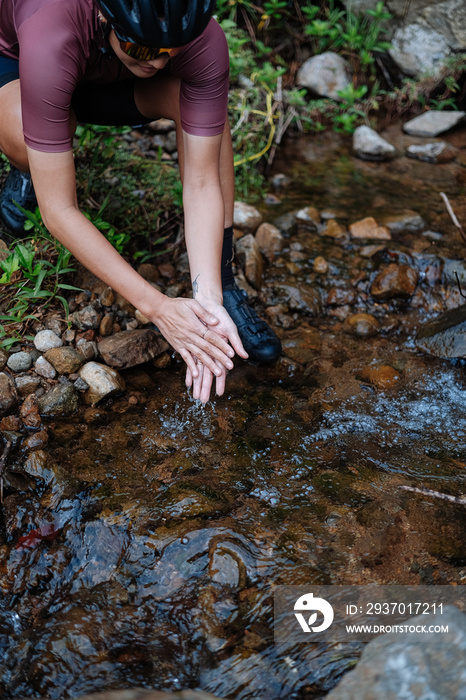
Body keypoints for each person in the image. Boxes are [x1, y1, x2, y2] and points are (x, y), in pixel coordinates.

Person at [0, 0, 282, 403]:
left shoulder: (198, 39)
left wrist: (208, 300)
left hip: (105, 73)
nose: (161, 62)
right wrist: (158, 307)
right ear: (103, 17)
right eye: (148, 50)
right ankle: (31, 169)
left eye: (174, 50)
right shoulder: (52, 31)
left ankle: (225, 283)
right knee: (30, 133)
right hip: (20, 64)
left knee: (207, 120)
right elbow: (60, 211)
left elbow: (202, 183)